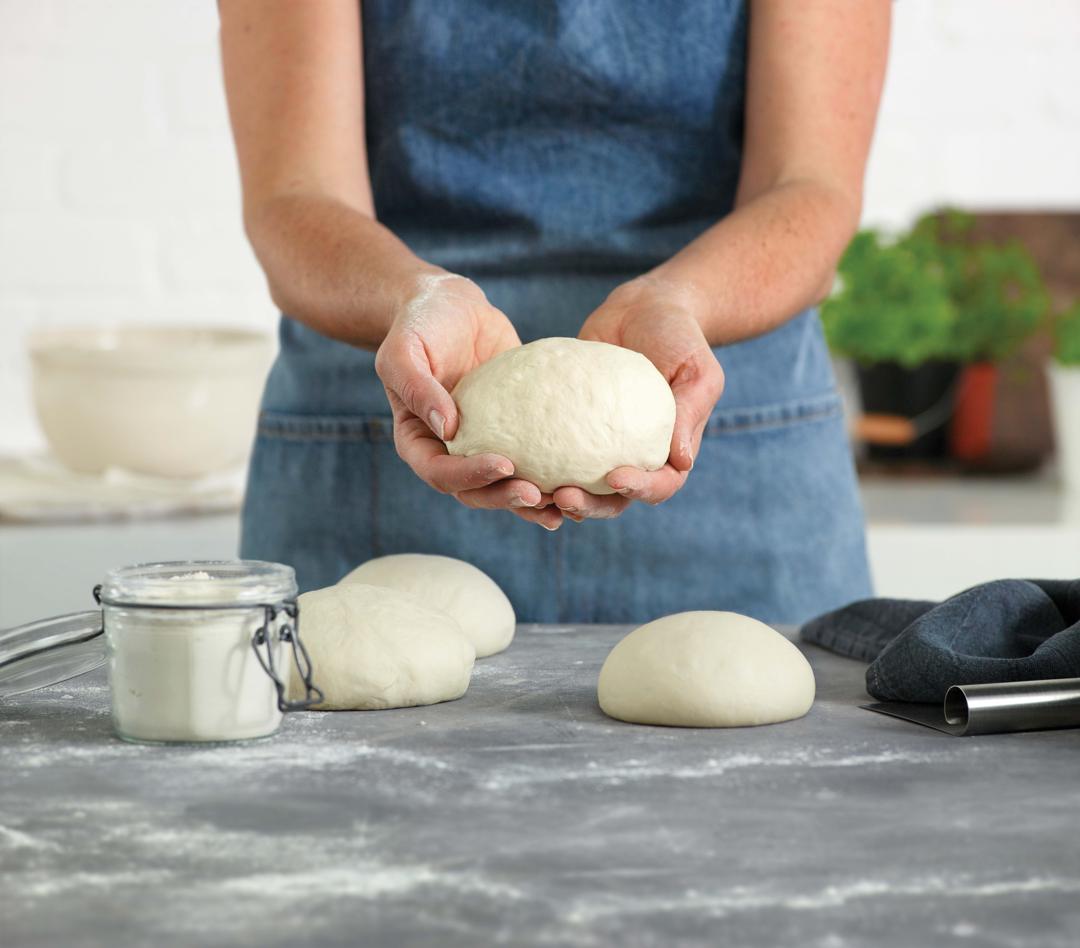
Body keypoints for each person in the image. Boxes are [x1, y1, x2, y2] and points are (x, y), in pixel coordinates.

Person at [220, 0, 890, 625]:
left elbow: (809, 186)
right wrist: (414, 298)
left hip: (733, 455)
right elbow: (293, 196)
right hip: (392, 433)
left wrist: (680, 301)